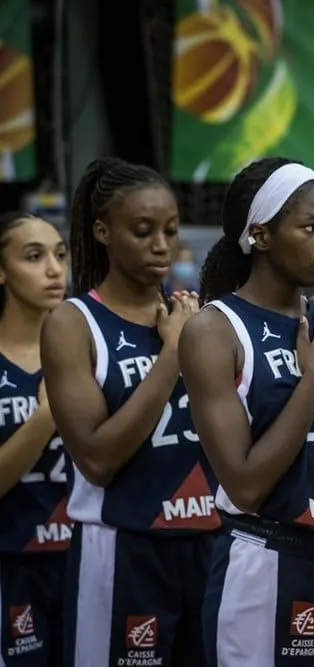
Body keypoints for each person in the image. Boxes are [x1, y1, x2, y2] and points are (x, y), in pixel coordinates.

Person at [178, 157, 314, 667]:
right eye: (310, 227)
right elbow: (246, 484)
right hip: (271, 557)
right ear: (261, 235)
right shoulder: (214, 330)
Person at [39, 158, 216, 666]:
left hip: (208, 544)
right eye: (142, 231)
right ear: (102, 232)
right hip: (123, 549)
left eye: (171, 230)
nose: (162, 245)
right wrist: (171, 355)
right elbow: (97, 458)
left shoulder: (195, 317)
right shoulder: (73, 323)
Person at [0, 212, 72, 665]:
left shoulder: (91, 351)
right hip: (12, 565)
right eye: (34, 256)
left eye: (60, 255)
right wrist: (48, 414)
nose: (53, 269)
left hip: (87, 561)